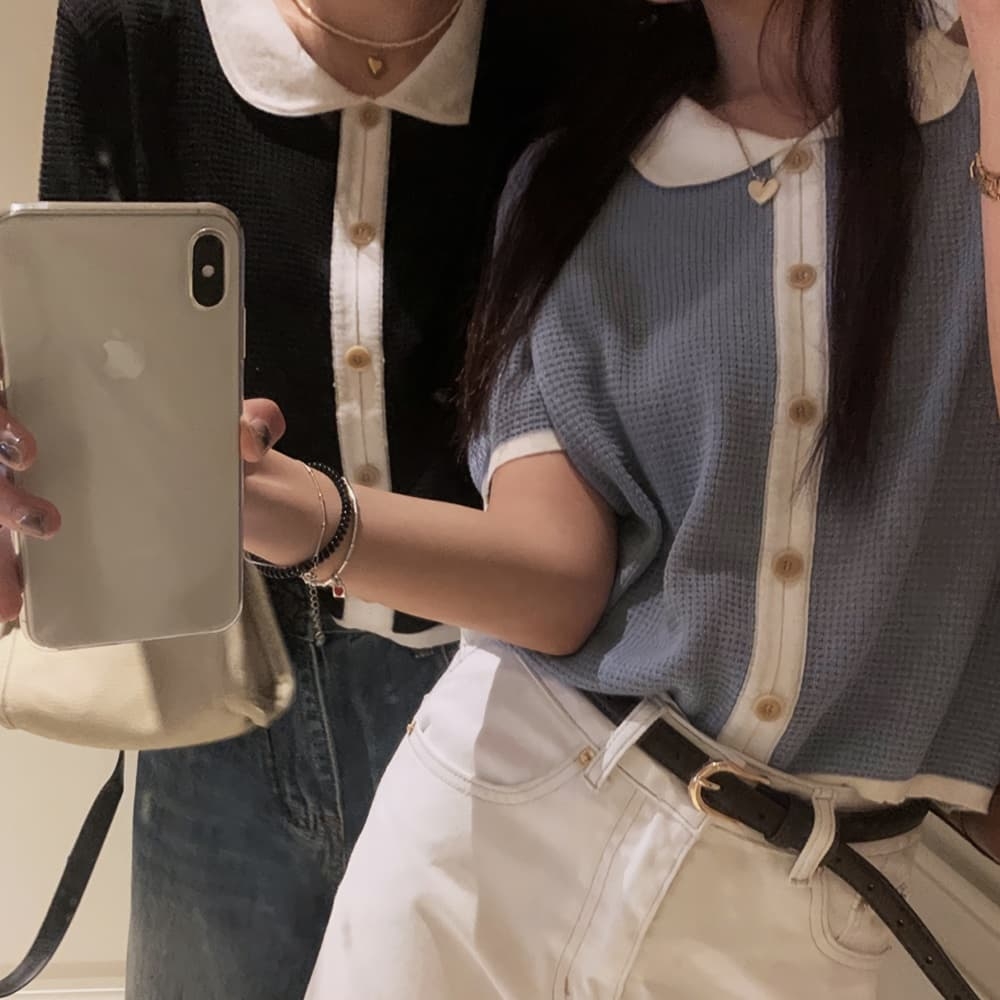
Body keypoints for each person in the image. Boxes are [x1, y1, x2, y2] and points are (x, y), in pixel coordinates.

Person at [232, 0, 1000, 996]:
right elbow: (555, 578)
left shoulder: (970, 116)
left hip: (817, 918)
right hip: (493, 838)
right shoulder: (579, 174)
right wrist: (288, 507)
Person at [12, 0, 564, 996]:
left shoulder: (582, 41)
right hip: (221, 674)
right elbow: (80, 344)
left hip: (506, 693)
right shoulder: (134, 24)